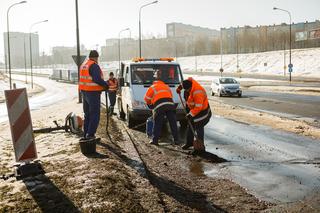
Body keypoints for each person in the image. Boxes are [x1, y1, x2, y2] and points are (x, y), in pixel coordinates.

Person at [79, 50, 109, 140]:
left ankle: (86, 134)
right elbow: (97, 79)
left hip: (84, 92)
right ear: (96, 57)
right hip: (93, 93)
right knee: (95, 114)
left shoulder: (84, 65)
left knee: (87, 114)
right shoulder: (94, 66)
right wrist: (105, 85)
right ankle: (91, 135)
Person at [144, 70, 179, 145]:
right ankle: (176, 140)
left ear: (154, 82)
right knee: (173, 123)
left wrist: (151, 106)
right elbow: (170, 96)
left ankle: (155, 140)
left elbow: (146, 99)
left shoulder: (152, 87)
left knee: (157, 123)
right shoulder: (166, 86)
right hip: (170, 105)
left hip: (159, 107)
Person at [176, 77, 211, 150]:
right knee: (190, 125)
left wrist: (190, 114)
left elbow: (198, 107)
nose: (187, 91)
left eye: (187, 90)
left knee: (199, 126)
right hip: (194, 109)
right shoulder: (189, 82)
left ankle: (200, 146)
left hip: (203, 111)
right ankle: (189, 143)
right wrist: (179, 87)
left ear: (191, 87)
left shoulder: (198, 92)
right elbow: (184, 83)